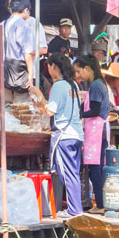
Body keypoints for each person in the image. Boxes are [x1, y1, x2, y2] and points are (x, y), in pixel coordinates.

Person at [30, 52, 83, 217]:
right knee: (73, 172)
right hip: (76, 133)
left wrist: (39, 95)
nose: (48, 70)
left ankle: (74, 210)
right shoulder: (73, 84)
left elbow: (50, 111)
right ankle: (76, 208)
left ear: (54, 67)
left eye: (49, 66)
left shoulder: (59, 86)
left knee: (67, 172)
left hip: (64, 135)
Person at [74, 54, 109, 211]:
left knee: (96, 169)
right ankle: (100, 203)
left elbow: (94, 110)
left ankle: (100, 205)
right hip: (97, 131)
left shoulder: (96, 85)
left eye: (79, 71)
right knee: (97, 168)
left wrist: (78, 114)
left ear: (87, 69)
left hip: (97, 131)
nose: (78, 75)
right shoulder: (99, 83)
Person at [2, 0, 37, 103]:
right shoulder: (24, 26)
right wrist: (31, 75)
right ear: (26, 10)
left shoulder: (1, 25)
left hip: (4, 73)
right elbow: (28, 53)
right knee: (21, 108)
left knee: (6, 107)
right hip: (20, 73)